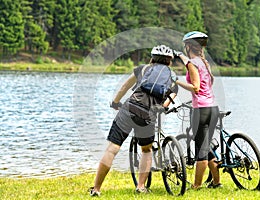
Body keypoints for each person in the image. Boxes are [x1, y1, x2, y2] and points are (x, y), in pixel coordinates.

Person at [89, 45, 178, 197]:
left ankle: (96, 189)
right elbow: (168, 100)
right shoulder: (173, 77)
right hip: (148, 115)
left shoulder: (142, 69)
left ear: (152, 57)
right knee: (146, 150)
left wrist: (116, 102)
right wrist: (160, 108)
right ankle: (141, 186)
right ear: (170, 61)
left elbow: (125, 86)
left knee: (112, 149)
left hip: (129, 109)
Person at [174, 31, 222, 189]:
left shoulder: (193, 64)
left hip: (200, 110)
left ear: (188, 46)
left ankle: (196, 185)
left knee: (200, 151)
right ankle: (216, 183)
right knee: (206, 147)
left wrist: (177, 82)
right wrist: (181, 56)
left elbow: (195, 87)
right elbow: (211, 81)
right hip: (213, 108)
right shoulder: (204, 63)